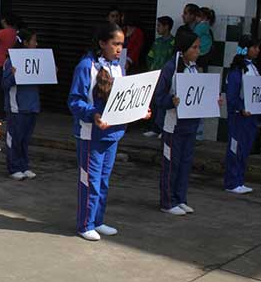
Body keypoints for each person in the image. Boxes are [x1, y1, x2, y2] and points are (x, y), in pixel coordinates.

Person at [68, 22, 147, 241]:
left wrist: (139, 110)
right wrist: (93, 114)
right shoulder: (86, 66)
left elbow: (123, 99)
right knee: (90, 181)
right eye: (115, 44)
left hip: (113, 133)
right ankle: (85, 224)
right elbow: (75, 101)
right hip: (91, 135)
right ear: (102, 43)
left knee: (103, 180)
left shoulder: (117, 67)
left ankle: (97, 220)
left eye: (122, 44)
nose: (120, 48)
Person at [154, 31, 207, 215]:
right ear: (183, 49)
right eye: (194, 47)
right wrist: (171, 102)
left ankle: (180, 198)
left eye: (198, 47)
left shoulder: (193, 68)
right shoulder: (170, 68)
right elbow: (158, 97)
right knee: (171, 164)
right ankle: (167, 202)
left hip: (190, 126)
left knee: (185, 163)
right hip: (173, 127)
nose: (198, 51)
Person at [224, 34, 261, 194]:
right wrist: (240, 108)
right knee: (235, 147)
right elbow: (231, 95)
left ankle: (239, 179)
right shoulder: (237, 69)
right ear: (246, 49)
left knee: (245, 148)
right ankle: (231, 182)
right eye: (255, 47)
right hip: (239, 116)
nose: (257, 50)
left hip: (251, 116)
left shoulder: (253, 67)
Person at [2, 28, 40, 180]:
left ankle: (24, 166)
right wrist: (13, 75)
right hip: (16, 106)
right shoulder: (11, 60)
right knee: (15, 138)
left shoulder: (36, 61)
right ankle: (14, 167)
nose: (36, 44)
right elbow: (4, 84)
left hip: (32, 105)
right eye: (33, 41)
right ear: (25, 43)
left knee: (25, 139)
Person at [144, 16, 176, 137]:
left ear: (166, 26)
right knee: (153, 102)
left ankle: (163, 129)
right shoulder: (157, 42)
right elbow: (150, 57)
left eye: (159, 25)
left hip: (166, 77)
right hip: (154, 75)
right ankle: (154, 128)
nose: (157, 28)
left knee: (164, 103)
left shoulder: (173, 42)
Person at [194, 7, 215, 72]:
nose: (196, 18)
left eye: (198, 16)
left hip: (202, 51)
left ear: (204, 17)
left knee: (200, 68)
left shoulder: (200, 26)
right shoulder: (206, 25)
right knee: (203, 67)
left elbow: (194, 36)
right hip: (207, 50)